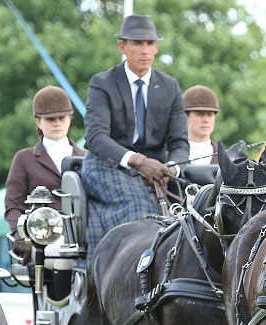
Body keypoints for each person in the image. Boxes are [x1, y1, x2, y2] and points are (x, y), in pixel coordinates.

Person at [80, 13, 189, 252]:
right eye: (138, 43)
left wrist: (171, 168)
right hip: (106, 165)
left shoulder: (170, 87)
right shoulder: (103, 83)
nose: (145, 50)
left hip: (155, 172)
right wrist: (138, 161)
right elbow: (96, 138)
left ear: (157, 48)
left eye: (150, 43)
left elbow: (180, 144)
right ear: (123, 47)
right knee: (141, 210)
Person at [4, 85, 84, 298]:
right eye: (50, 119)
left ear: (70, 119)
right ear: (38, 121)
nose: (57, 123)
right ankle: (62, 308)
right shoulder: (24, 159)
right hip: (43, 238)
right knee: (63, 253)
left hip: (82, 234)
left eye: (62, 117)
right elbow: (13, 205)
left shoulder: (86, 158)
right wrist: (19, 236)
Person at [182, 85, 219, 165]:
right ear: (186, 117)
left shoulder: (228, 159)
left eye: (210, 115)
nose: (206, 120)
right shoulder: (169, 158)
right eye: (200, 114)